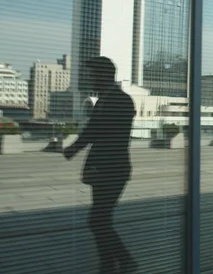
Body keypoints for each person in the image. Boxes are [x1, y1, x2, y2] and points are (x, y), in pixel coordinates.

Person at [63, 56, 137, 274]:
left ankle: (118, 262)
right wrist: (75, 149)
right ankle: (114, 262)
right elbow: (95, 131)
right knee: (100, 219)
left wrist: (76, 150)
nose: (89, 78)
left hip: (112, 169)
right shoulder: (107, 99)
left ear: (103, 75)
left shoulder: (119, 100)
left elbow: (108, 137)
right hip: (107, 168)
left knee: (98, 220)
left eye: (91, 74)